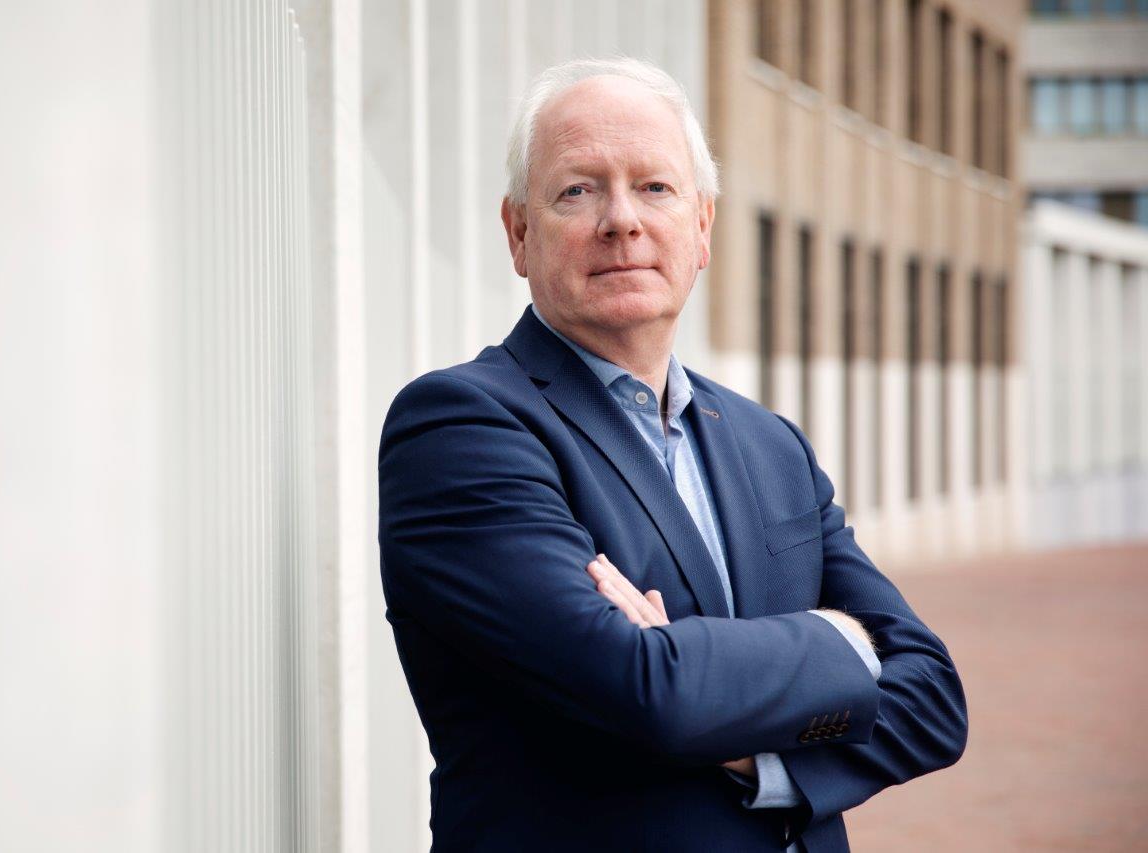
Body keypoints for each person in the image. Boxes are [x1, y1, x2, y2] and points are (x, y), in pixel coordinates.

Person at [377, 57, 967, 852]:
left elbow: (934, 699)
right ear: (518, 233)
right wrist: (844, 642)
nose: (621, 219)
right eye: (577, 190)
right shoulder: (462, 429)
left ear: (702, 227)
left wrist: (749, 748)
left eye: (655, 187)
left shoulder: (770, 445)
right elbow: (646, 689)